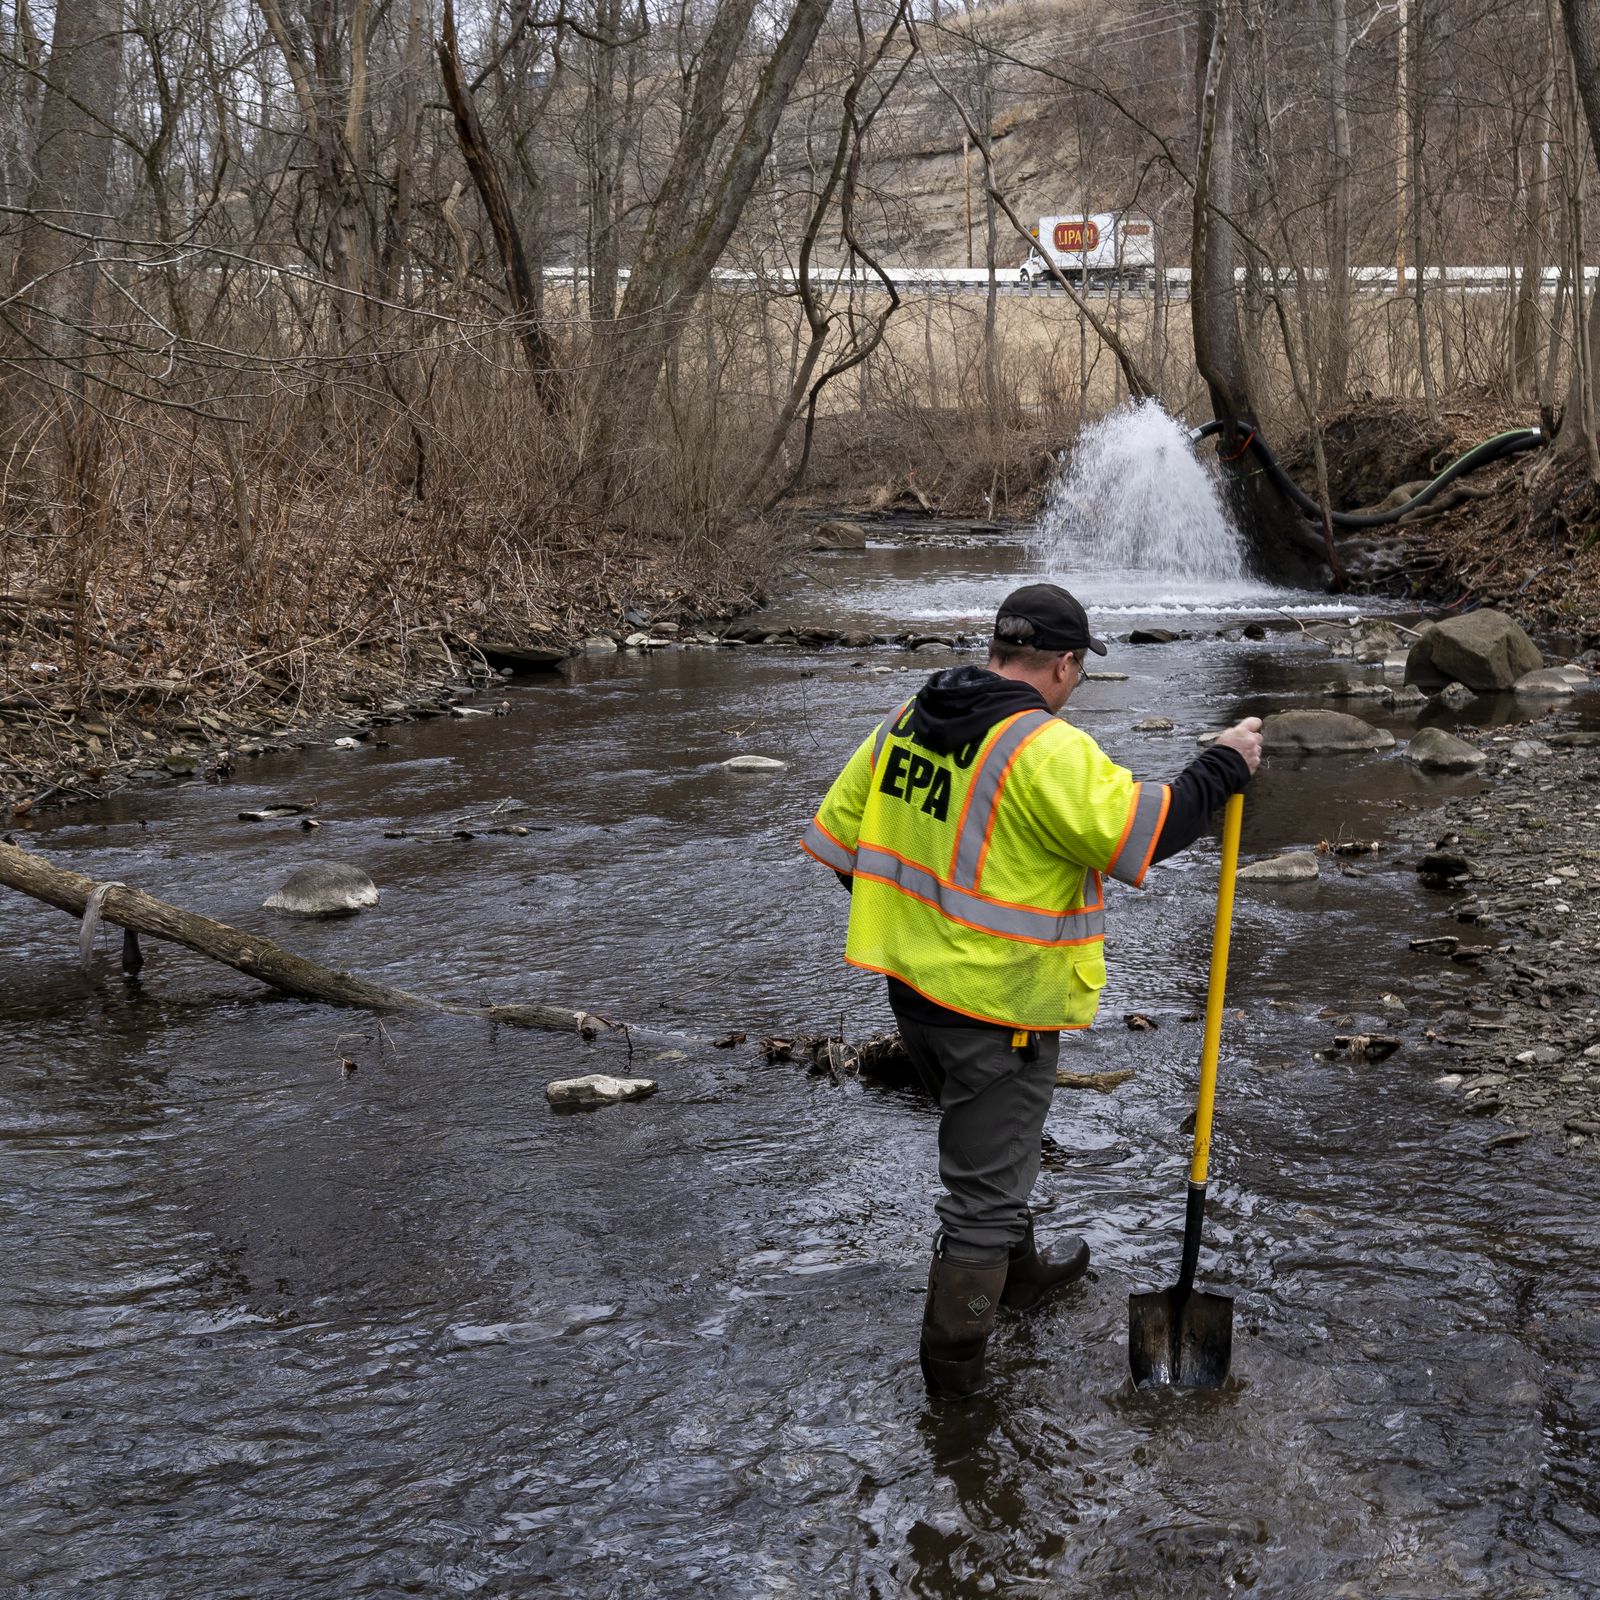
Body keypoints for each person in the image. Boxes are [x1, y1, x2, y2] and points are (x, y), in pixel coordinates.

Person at [800, 582, 1263, 1398]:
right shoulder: (1042, 750)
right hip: (996, 1014)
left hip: (914, 996)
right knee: (979, 1202)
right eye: (1078, 671)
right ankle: (955, 1393)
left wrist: (926, 937)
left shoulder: (912, 716)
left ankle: (1022, 1281)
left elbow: (840, 845)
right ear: (1065, 664)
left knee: (995, 1163)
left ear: (999, 649)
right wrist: (1226, 763)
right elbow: (1145, 831)